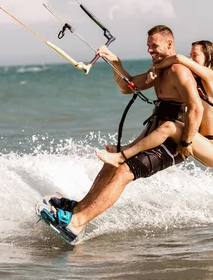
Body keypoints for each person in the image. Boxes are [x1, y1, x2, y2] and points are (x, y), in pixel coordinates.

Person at [50, 25, 204, 241]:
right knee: (112, 163)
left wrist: (186, 142)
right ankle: (78, 210)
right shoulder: (159, 70)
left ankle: (76, 223)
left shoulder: (178, 71)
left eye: (154, 46)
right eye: (148, 46)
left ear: (170, 44)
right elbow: (127, 87)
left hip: (174, 142)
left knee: (124, 171)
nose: (150, 50)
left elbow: (196, 108)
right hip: (155, 136)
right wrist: (115, 63)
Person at [95, 40, 213, 168]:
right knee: (160, 114)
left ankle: (121, 157)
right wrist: (117, 62)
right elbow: (129, 86)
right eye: (190, 55)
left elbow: (179, 58)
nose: (190, 59)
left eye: (195, 55)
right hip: (199, 141)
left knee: (170, 126)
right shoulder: (195, 82)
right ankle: (129, 147)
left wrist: (156, 67)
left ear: (208, 58)